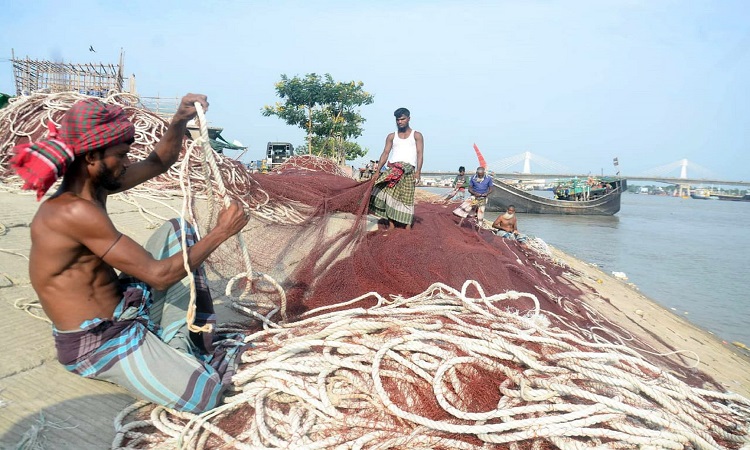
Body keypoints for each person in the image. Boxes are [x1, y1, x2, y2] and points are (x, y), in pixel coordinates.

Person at [11, 94, 251, 413]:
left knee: (178, 231)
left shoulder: (95, 187)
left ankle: (170, 349)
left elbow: (158, 162)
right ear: (92, 157)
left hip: (125, 310)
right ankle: (166, 353)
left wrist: (179, 121)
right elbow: (158, 277)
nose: (126, 163)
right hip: (96, 342)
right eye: (121, 155)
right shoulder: (71, 212)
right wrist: (221, 232)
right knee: (207, 395)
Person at [369, 107, 424, 230]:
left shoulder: (417, 135)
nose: (400, 122)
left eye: (402, 119)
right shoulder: (391, 136)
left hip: (409, 171)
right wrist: (377, 171)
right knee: (388, 196)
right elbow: (385, 153)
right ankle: (391, 225)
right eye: (397, 120)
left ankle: (407, 226)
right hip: (393, 170)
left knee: (407, 198)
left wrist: (418, 172)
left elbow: (420, 154)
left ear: (408, 119)